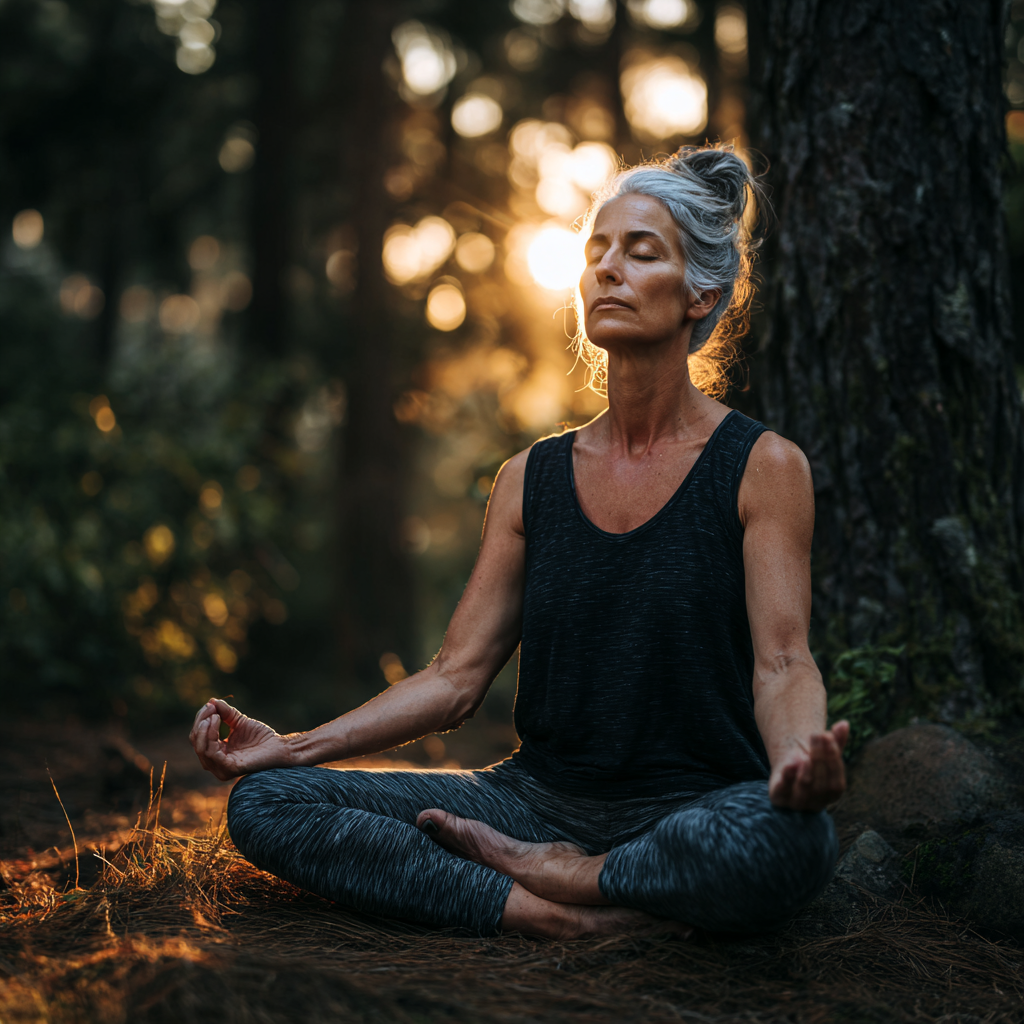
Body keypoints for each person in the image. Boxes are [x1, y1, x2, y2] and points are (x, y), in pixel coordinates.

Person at [189, 143, 849, 941]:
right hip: (530, 803)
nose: (607, 270)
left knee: (794, 837)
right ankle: (558, 915)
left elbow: (784, 662)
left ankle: (578, 877)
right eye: (596, 251)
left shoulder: (762, 467)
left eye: (641, 253)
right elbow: (453, 679)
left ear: (701, 294)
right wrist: (292, 748)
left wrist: (792, 765)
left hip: (694, 807)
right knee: (266, 803)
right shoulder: (527, 479)